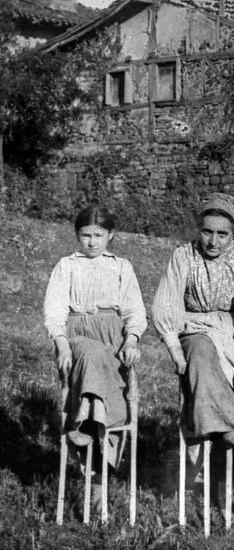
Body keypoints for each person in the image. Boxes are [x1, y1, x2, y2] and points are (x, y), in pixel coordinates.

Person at [152, 194, 234, 455]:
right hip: (193, 328)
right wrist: (174, 348)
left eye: (222, 234)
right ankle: (229, 428)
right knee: (201, 350)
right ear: (198, 230)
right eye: (207, 232)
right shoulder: (183, 256)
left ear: (233, 234)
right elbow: (166, 302)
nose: (214, 241)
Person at [44, 204, 146, 480]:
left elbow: (135, 311)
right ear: (77, 235)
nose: (91, 242)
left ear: (110, 235)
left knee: (107, 369)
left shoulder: (121, 267)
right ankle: (90, 424)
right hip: (78, 333)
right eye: (86, 235)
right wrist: (62, 343)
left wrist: (131, 341)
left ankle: (99, 445)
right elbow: (54, 311)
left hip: (113, 335)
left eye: (98, 236)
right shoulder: (67, 266)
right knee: (89, 353)